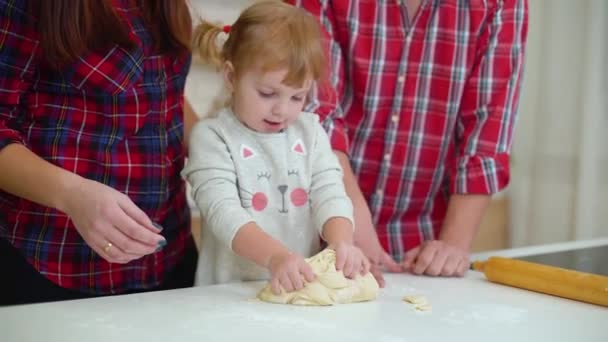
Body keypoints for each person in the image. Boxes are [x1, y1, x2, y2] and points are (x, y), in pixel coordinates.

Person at [289, 0, 529, 285]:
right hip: (307, 234)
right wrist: (348, 221)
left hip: (420, 251)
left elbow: (488, 132)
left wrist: (451, 248)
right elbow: (314, 113)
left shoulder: (501, 4)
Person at [0, 0, 200, 305]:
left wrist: (220, 151)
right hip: (54, 263)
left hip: (169, 255)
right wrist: (73, 195)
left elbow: (163, 91)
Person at [183, 1, 369, 295]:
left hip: (297, 290)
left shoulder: (310, 132)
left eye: (298, 97)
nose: (282, 110)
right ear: (231, 77)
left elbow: (329, 192)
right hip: (225, 297)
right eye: (268, 93)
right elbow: (223, 212)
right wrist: (275, 257)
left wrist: (341, 241)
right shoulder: (213, 138)